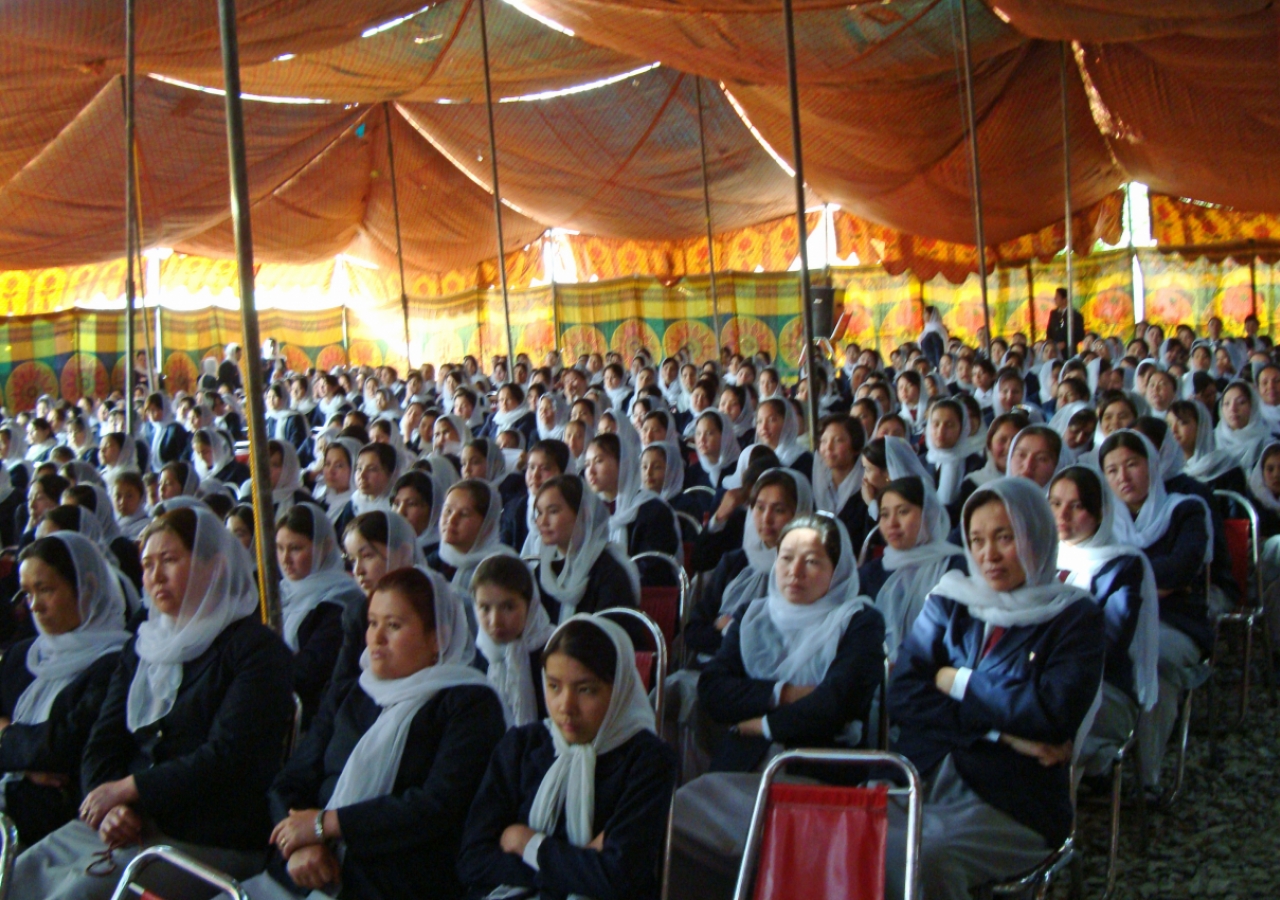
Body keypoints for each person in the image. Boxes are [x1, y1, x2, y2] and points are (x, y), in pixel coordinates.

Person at [12, 507, 293, 900]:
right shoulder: (143, 646)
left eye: (170, 560)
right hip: (127, 824)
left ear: (213, 566)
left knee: (75, 894)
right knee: (18, 873)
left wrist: (130, 789)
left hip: (204, 836)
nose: (155, 576)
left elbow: (228, 757)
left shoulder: (255, 651)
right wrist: (108, 807)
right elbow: (102, 742)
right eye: (147, 564)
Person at [884, 478, 1105, 900]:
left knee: (923, 860)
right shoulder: (952, 599)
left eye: (1005, 537)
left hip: (1012, 798)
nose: (988, 555)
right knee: (848, 839)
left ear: (1035, 535)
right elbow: (904, 693)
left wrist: (956, 679)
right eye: (977, 539)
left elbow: (1050, 714)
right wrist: (1000, 733)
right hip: (921, 772)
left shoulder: (1074, 617)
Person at [241, 567, 506, 900]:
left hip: (392, 881)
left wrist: (327, 825)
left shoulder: (469, 703)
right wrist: (297, 845)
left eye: (393, 625)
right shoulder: (352, 693)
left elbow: (437, 807)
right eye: (372, 622)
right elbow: (291, 780)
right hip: (305, 868)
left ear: (437, 637)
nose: (376, 638)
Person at [669, 514, 885, 899]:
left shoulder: (859, 621)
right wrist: (783, 694)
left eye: (812, 561)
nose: (794, 572)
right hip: (742, 764)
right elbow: (714, 690)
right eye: (786, 558)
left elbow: (833, 706)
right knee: (674, 822)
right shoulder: (754, 615)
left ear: (837, 569)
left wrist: (765, 726)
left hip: (821, 769)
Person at [457, 615, 677, 900]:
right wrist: (578, 862)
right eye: (554, 686)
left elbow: (618, 877)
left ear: (620, 688)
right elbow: (472, 860)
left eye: (586, 689)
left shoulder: (648, 761)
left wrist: (529, 845)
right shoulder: (521, 746)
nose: (566, 706)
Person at [1098, 430, 1212, 791]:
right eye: (1112, 470)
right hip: (1120, 618)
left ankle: (1148, 778)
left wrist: (1130, 576)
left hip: (1175, 620)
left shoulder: (1185, 509)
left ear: (1153, 464)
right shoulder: (1103, 520)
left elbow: (1183, 566)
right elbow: (1098, 571)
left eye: (1133, 464)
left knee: (1153, 659)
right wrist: (1153, 583)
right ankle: (1097, 764)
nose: (1123, 477)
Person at [1, 534, 130, 845]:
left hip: (55, 816)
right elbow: (40, 750)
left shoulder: (117, 661)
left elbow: (61, 747)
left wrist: (9, 741)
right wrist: (24, 766)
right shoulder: (24, 654)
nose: (34, 606)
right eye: (27, 593)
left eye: (45, 590)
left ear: (87, 587)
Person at [1050, 466, 1160, 776]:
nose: (1063, 515)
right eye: (1055, 503)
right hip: (1044, 679)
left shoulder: (1123, 565)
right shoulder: (1038, 556)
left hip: (1103, 686)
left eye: (1077, 506)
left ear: (1100, 513)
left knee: (1038, 718)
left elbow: (1108, 642)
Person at [687, 469, 813, 664]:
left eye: (778, 510)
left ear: (799, 514)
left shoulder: (804, 572)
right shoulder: (735, 562)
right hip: (711, 670)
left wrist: (728, 629)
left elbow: (783, 647)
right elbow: (693, 632)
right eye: (759, 507)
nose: (766, 518)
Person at [275, 503, 365, 725]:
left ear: (323, 548)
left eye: (295, 548)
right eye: (279, 548)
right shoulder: (279, 592)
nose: (285, 559)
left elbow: (306, 673)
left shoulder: (339, 601)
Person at [859, 475, 966, 660]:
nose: (891, 523)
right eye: (884, 514)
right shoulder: (870, 573)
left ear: (928, 515)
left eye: (903, 512)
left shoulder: (956, 566)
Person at [533, 475, 640, 622]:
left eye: (553, 511)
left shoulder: (609, 573)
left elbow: (607, 636)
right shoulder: (543, 571)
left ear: (583, 515)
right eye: (539, 512)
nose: (543, 521)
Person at [472, 554, 557, 727]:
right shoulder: (476, 658)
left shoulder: (553, 652)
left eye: (508, 607)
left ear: (530, 604)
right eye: (485, 608)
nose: (495, 620)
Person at [428, 479, 518, 595]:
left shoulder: (505, 568)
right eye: (448, 511)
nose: (451, 520)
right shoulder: (432, 562)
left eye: (464, 514)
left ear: (487, 525)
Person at [499, 439, 569, 556]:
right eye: (531, 467)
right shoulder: (514, 508)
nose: (535, 475)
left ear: (563, 473)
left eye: (545, 468)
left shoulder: (572, 511)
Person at [811, 414, 869, 548]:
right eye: (824, 441)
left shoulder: (867, 487)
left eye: (838, 440)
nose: (829, 447)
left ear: (855, 446)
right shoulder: (813, 482)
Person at [1046, 287, 1085, 354]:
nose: (1055, 299)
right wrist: (1051, 344)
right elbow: (1049, 332)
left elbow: (1080, 335)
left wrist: (1065, 343)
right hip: (1054, 351)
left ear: (1064, 299)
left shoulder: (1075, 315)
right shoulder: (1053, 314)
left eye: (1057, 297)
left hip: (1068, 351)